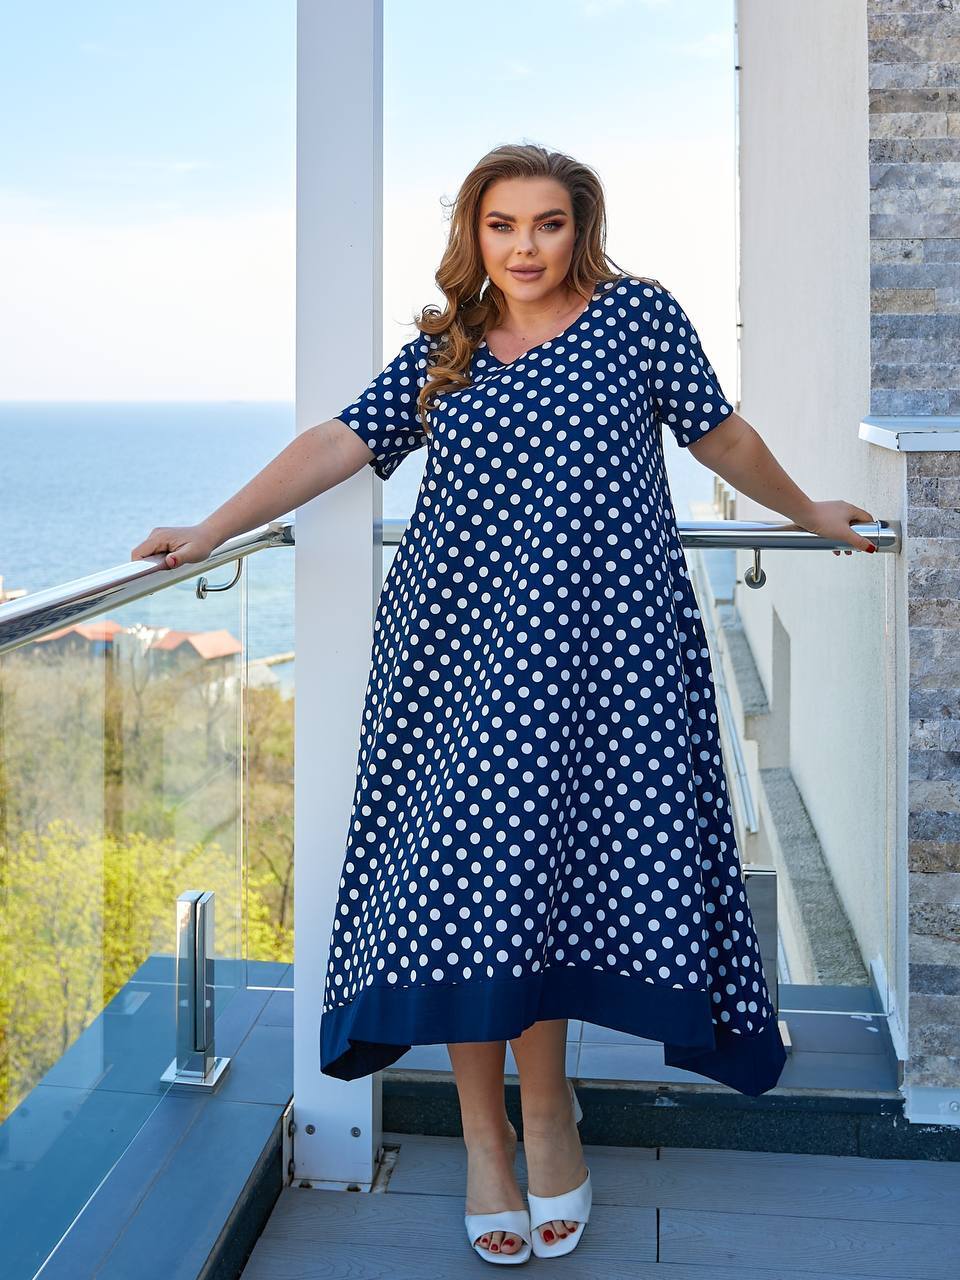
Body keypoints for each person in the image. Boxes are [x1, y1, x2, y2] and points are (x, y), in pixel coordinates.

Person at [132, 143, 878, 1265]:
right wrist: (212, 528)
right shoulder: (450, 348)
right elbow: (338, 441)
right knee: (465, 889)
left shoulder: (638, 319)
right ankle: (487, 1136)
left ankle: (549, 1112)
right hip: (456, 654)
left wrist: (808, 509)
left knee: (548, 884)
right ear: (473, 235)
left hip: (605, 654)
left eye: (547, 224)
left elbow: (719, 433)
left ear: (582, 229)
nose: (524, 247)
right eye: (501, 225)